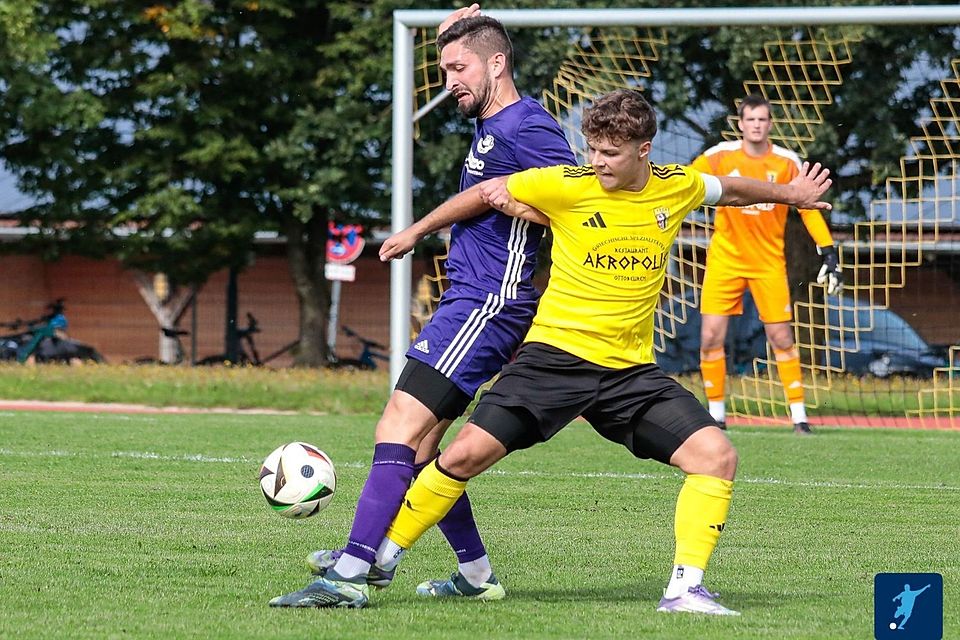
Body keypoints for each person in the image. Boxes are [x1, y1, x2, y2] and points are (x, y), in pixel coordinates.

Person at [274, 89, 833, 612]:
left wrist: (793, 194)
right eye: (592, 148)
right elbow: (485, 192)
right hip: (553, 359)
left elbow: (730, 189)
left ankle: (686, 588)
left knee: (718, 456)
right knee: (462, 455)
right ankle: (384, 557)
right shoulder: (566, 181)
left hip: (629, 373)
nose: (597, 161)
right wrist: (420, 229)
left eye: (611, 152)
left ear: (645, 151)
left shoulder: (677, 184)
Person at [269, 7, 575, 608]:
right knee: (426, 449)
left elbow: (578, 201)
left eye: (458, 68)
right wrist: (452, 29)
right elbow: (481, 194)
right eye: (443, 69)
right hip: (474, 298)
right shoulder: (494, 121)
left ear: (498, 63)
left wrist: (515, 209)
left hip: (488, 302)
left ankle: (351, 574)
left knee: (397, 428)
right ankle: (476, 575)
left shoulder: (527, 126)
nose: (449, 81)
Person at [691, 94, 843, 434]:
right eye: (751, 119)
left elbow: (808, 206)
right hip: (725, 260)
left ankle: (799, 417)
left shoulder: (787, 162)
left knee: (781, 337)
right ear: (741, 123)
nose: (757, 125)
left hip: (768, 262)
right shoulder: (719, 156)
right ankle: (716, 415)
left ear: (769, 124)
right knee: (711, 337)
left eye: (762, 119)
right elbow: (684, 183)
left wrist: (828, 250)